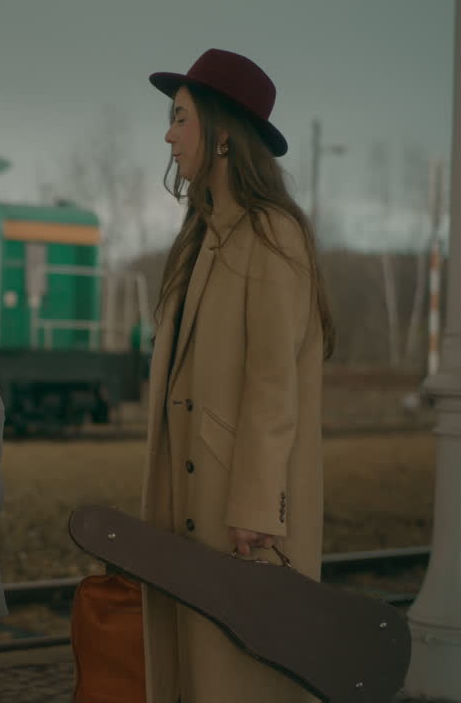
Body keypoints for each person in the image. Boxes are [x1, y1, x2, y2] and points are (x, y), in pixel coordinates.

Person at [140, 49, 335, 703]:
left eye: (180, 118)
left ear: (223, 133)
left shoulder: (272, 235)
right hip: (191, 504)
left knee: (241, 677)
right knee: (200, 673)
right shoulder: (202, 236)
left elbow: (273, 385)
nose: (168, 134)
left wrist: (256, 503)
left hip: (238, 517)